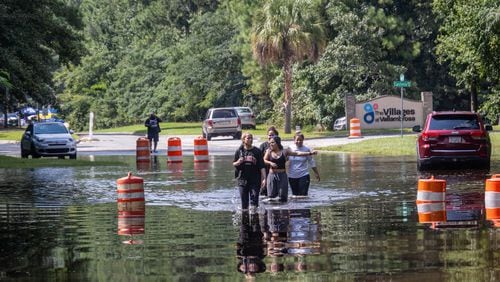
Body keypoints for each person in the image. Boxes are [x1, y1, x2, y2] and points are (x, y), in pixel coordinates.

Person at [263, 136, 316, 203]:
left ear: (277, 143)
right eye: (270, 143)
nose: (271, 144)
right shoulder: (269, 151)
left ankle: (283, 211)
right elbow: (264, 160)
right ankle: (273, 211)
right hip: (272, 175)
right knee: (271, 196)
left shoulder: (285, 151)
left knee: (283, 196)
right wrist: (270, 163)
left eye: (272, 142)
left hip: (282, 175)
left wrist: (310, 153)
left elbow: (297, 153)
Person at [233, 132, 266, 212]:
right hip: (242, 179)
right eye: (248, 138)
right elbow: (234, 163)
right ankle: (245, 222)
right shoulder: (239, 151)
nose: (250, 140)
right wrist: (238, 162)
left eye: (251, 138)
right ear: (243, 140)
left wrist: (264, 178)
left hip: (255, 179)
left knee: (254, 201)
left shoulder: (257, 151)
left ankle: (255, 221)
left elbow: (262, 166)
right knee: (244, 204)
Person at [259, 126, 279, 197]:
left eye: (272, 135)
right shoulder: (263, 146)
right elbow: (260, 160)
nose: (270, 136)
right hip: (265, 171)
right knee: (264, 190)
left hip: (276, 171)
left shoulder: (279, 145)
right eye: (269, 135)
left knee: (275, 190)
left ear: (276, 136)